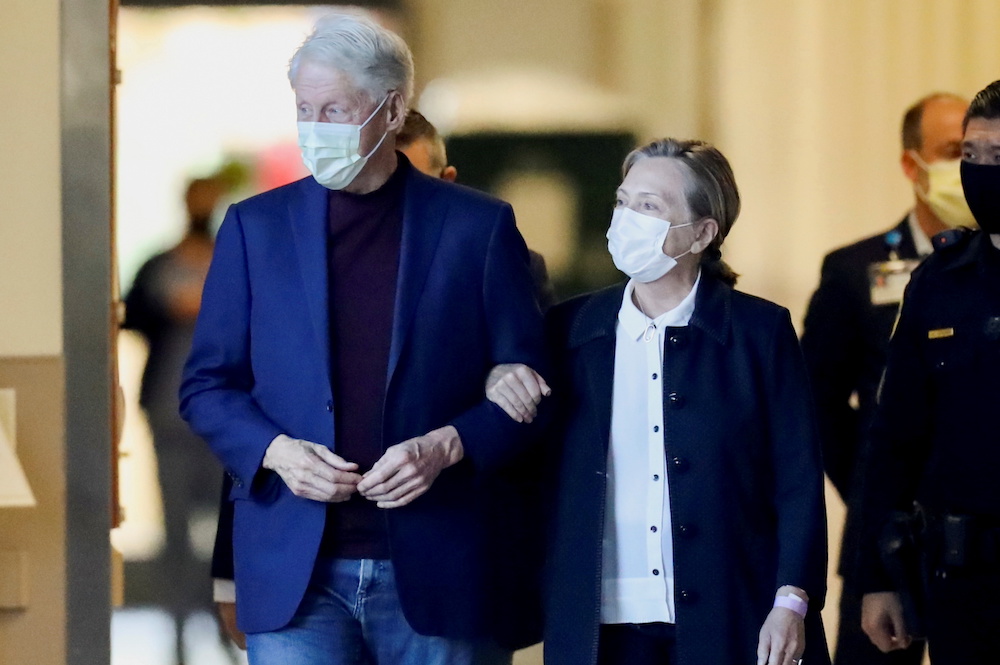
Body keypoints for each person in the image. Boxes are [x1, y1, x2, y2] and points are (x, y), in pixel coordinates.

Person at [180, 14, 547, 665]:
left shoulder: (477, 228)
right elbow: (207, 386)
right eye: (304, 109)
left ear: (392, 108)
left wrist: (448, 444)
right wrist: (276, 451)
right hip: (297, 574)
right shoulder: (255, 228)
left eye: (334, 110)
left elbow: (530, 391)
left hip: (439, 568)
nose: (314, 127)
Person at [490, 138, 830, 665]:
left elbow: (797, 479)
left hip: (730, 606)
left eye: (648, 206)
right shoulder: (569, 330)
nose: (627, 218)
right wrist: (498, 379)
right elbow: (529, 463)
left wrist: (792, 600)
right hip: (601, 618)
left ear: (702, 233)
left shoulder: (759, 332)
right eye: (623, 201)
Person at [800, 92, 969, 665]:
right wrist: (873, 487)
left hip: (978, 539)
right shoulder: (856, 270)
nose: (966, 167)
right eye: (952, 152)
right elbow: (818, 400)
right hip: (886, 540)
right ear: (911, 164)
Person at [858, 79, 1000, 664]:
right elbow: (895, 439)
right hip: (966, 585)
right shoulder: (940, 282)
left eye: (999, 155)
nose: (982, 172)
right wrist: (877, 578)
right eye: (972, 154)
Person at [122, 176, 229, 663]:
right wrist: (169, 308)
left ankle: (226, 624)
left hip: (226, 421)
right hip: (169, 414)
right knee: (176, 532)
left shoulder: (233, 261)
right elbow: (130, 315)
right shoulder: (158, 266)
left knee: (227, 529)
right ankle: (180, 630)